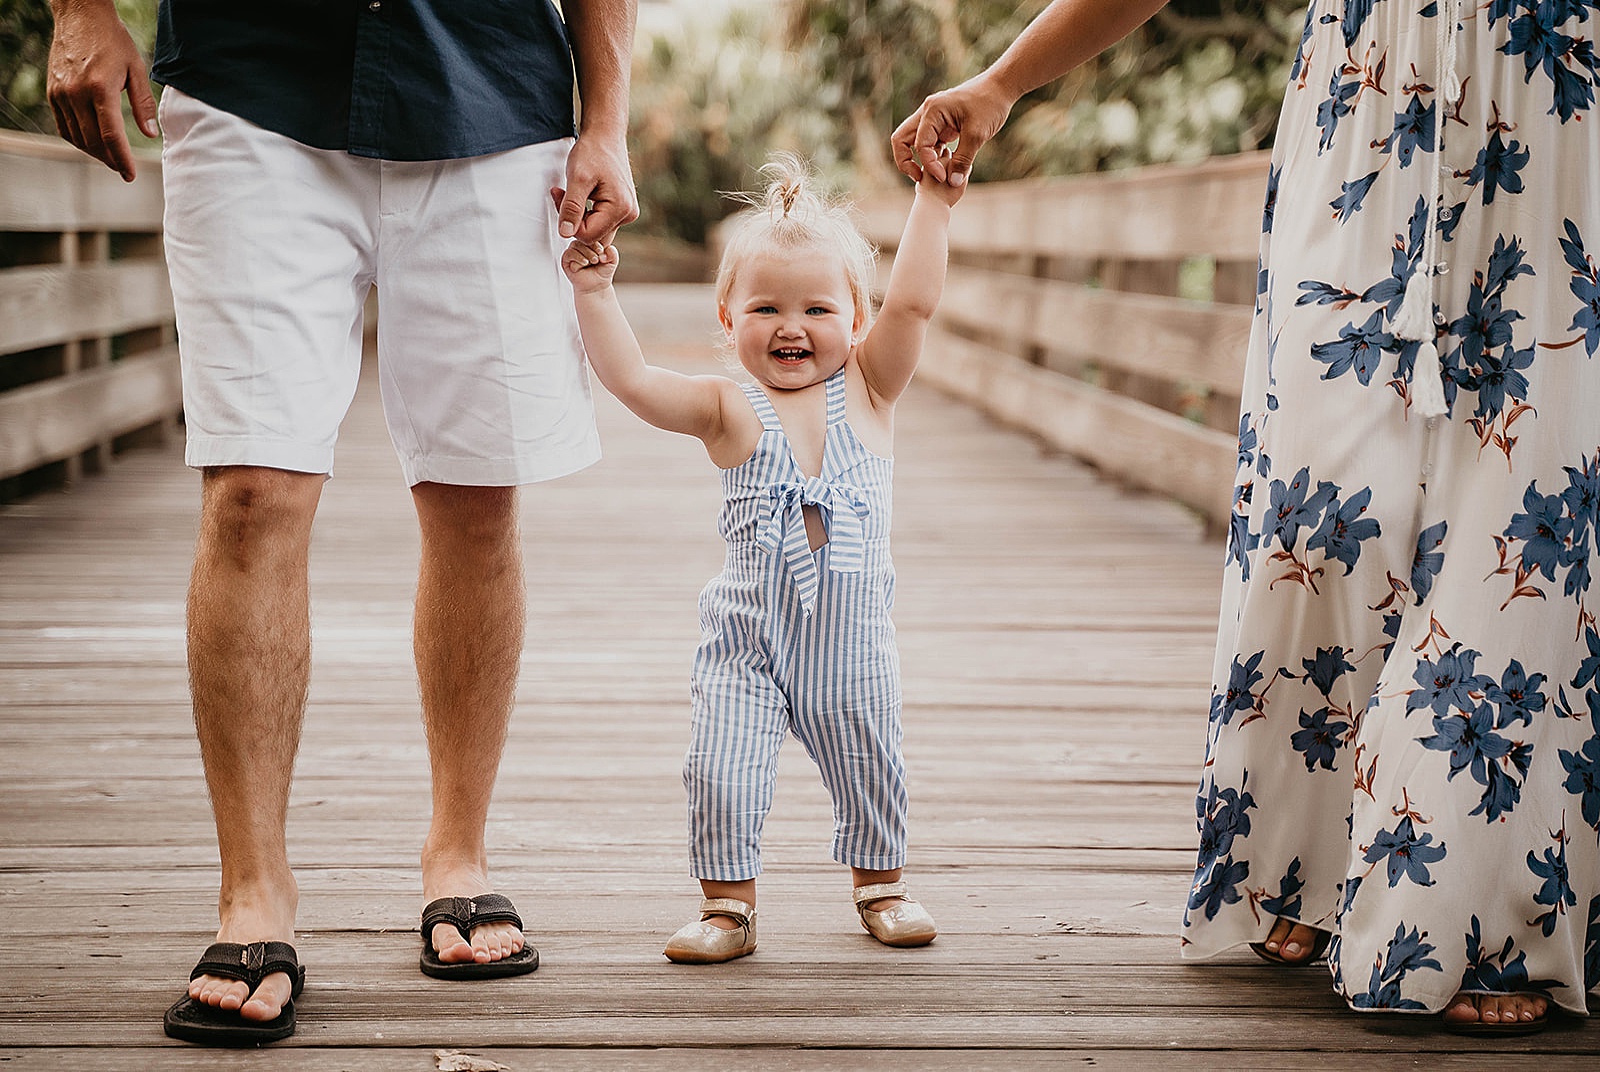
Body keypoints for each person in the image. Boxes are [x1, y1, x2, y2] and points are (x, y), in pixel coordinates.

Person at [894, 0, 1598, 1035]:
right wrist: (1002, 81)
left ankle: (1488, 918)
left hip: (1550, 119)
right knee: (1320, 507)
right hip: (1363, 109)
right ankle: (1307, 863)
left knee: (1517, 510)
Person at [47, 0, 638, 1046]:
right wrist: (80, 9)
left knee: (474, 494)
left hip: (491, 98)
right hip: (253, 85)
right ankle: (253, 895)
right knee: (251, 492)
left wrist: (610, 115)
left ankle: (457, 856)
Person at [560, 154, 958, 962]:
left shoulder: (873, 389)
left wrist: (934, 200)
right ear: (727, 314)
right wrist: (595, 291)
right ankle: (727, 906)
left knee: (869, 759)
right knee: (721, 767)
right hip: (748, 639)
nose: (790, 326)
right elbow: (633, 381)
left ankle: (881, 883)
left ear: (855, 318)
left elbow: (913, 301)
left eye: (818, 308)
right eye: (765, 307)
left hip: (849, 643)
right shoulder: (725, 405)